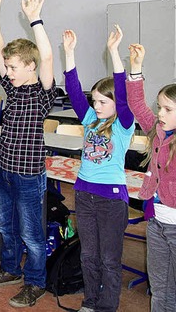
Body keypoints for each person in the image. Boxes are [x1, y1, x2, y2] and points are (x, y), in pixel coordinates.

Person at [0, 0, 57, 308]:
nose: (7, 72)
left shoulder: (43, 95)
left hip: (28, 176)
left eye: (13, 68)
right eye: (8, 68)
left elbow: (48, 57)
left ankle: (35, 282)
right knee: (5, 225)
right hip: (6, 169)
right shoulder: (12, 91)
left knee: (31, 233)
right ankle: (10, 269)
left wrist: (35, 19)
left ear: (30, 67)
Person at [62, 26, 134, 312]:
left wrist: (114, 52)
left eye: (103, 101)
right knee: (88, 256)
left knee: (108, 259)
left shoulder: (123, 124)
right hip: (84, 195)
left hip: (111, 200)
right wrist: (69, 53)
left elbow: (124, 94)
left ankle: (106, 307)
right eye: (95, 101)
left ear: (116, 104)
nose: (96, 105)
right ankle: (90, 303)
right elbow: (72, 90)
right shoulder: (90, 118)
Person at [126, 43, 176, 312]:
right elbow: (136, 104)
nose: (160, 114)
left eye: (168, 109)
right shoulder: (157, 132)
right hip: (157, 223)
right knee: (159, 288)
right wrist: (136, 67)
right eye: (160, 107)